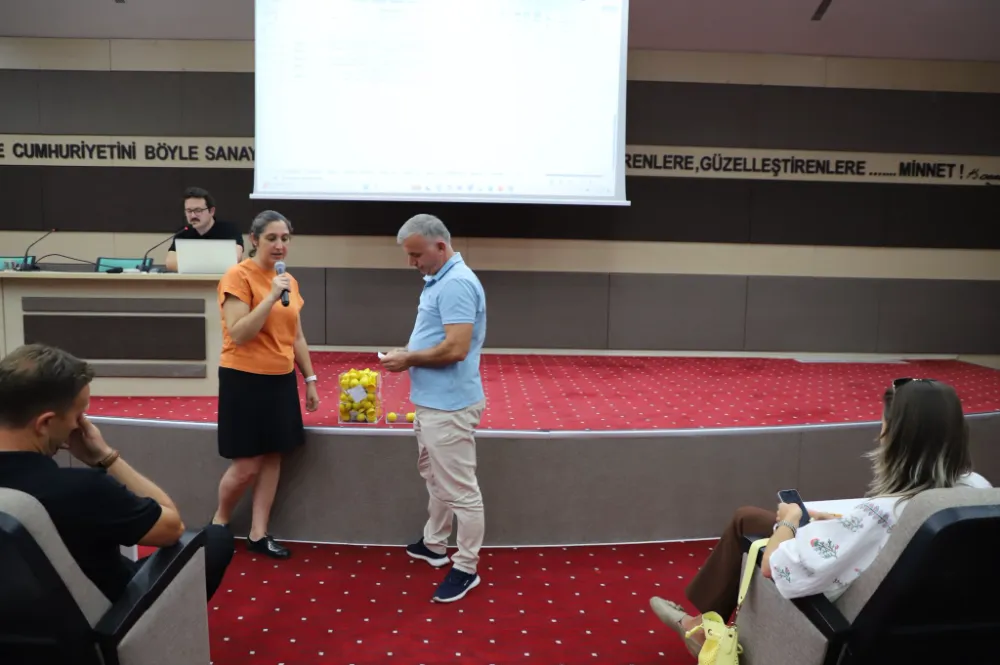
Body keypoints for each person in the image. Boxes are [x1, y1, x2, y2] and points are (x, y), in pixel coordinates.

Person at [649, 378, 992, 657]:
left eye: (884, 427)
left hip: (836, 622)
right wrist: (842, 524)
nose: (879, 435)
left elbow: (776, 568)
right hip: (924, 626)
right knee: (749, 517)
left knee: (748, 524)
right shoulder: (977, 488)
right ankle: (702, 623)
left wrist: (789, 520)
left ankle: (699, 629)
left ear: (898, 440)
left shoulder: (880, 513)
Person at [0, 343, 234, 603]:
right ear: (45, 423)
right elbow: (172, 528)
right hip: (103, 615)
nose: (79, 426)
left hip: (18, 612)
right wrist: (106, 457)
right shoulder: (81, 489)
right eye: (78, 416)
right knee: (215, 540)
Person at [380, 214, 488, 603]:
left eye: (416, 255)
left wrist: (408, 358)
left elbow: (455, 349)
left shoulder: (456, 283)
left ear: (440, 247)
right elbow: (439, 339)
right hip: (434, 402)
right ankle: (435, 544)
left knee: (460, 490)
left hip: (449, 406)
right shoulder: (440, 278)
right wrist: (409, 353)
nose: (412, 263)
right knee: (436, 478)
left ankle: (466, 567)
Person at [210, 210, 320, 559]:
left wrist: (310, 379)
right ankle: (219, 522)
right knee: (246, 465)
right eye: (272, 238)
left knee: (273, 456)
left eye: (285, 238)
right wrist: (271, 297)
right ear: (254, 239)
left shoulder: (289, 281)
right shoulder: (238, 276)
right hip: (243, 378)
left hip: (280, 380)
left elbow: (296, 336)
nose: (279, 245)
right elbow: (239, 333)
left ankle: (259, 533)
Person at [164, 186, 245, 272]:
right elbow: (170, 262)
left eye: (198, 210)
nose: (193, 215)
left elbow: (235, 258)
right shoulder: (183, 232)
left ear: (211, 211)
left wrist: (190, 264)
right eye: (189, 211)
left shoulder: (229, 229)